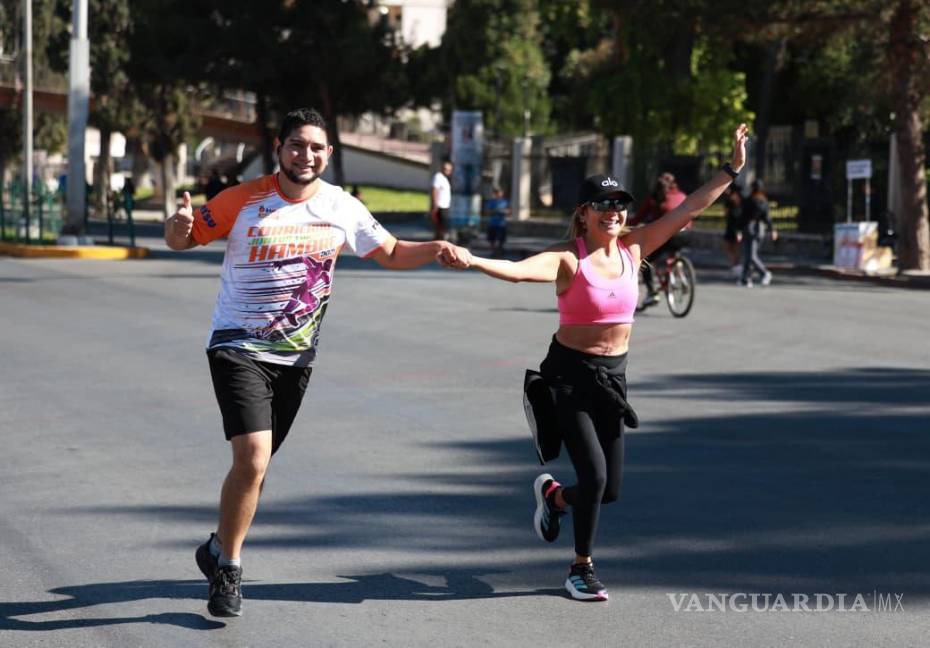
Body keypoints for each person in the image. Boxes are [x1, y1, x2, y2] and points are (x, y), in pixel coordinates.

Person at [164, 107, 468, 618]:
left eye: (316, 148)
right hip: (237, 346)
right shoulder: (244, 199)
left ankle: (217, 546)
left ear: (328, 154)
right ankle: (230, 571)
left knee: (257, 469)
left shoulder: (341, 206)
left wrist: (436, 247)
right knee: (253, 458)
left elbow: (390, 251)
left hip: (296, 357)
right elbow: (185, 238)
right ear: (279, 148)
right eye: (296, 145)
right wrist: (177, 227)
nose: (305, 155)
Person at [440, 124, 749, 601]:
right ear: (583, 213)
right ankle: (580, 567)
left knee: (609, 491)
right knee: (596, 475)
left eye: (619, 205)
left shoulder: (635, 246)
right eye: (603, 205)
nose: (614, 212)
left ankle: (554, 497)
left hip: (613, 377)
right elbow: (521, 272)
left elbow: (691, 207)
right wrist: (474, 261)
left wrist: (731, 168)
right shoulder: (569, 258)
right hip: (568, 375)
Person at [629, 172, 687, 306]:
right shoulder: (682, 196)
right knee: (671, 249)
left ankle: (652, 293)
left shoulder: (656, 198)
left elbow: (639, 218)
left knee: (644, 259)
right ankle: (676, 265)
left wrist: (624, 227)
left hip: (667, 236)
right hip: (686, 235)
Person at [739, 179, 778, 287]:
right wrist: (772, 229)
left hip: (750, 229)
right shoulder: (763, 201)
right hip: (758, 229)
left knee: (751, 255)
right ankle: (745, 279)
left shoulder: (750, 200)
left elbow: (743, 217)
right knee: (748, 255)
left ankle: (764, 273)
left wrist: (739, 230)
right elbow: (767, 218)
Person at [722, 185, 742, 275]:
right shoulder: (740, 200)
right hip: (739, 227)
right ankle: (737, 266)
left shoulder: (729, 200)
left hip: (731, 227)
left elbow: (725, 213)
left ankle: (736, 266)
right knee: (736, 248)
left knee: (727, 247)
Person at [430, 160, 453, 241]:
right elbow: (435, 190)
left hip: (445, 206)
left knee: (443, 228)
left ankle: (438, 243)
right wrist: (435, 204)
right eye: (446, 169)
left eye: (449, 170)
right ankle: (438, 244)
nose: (447, 171)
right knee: (441, 228)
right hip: (440, 206)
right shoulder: (438, 177)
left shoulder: (445, 179)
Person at [484, 186, 509, 255]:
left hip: (501, 224)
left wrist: (502, 212)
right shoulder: (491, 202)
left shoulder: (505, 202)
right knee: (492, 239)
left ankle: (500, 250)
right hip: (493, 223)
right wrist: (495, 211)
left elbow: (508, 211)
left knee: (501, 239)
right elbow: (487, 211)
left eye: (500, 193)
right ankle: (493, 251)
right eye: (497, 193)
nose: (499, 194)